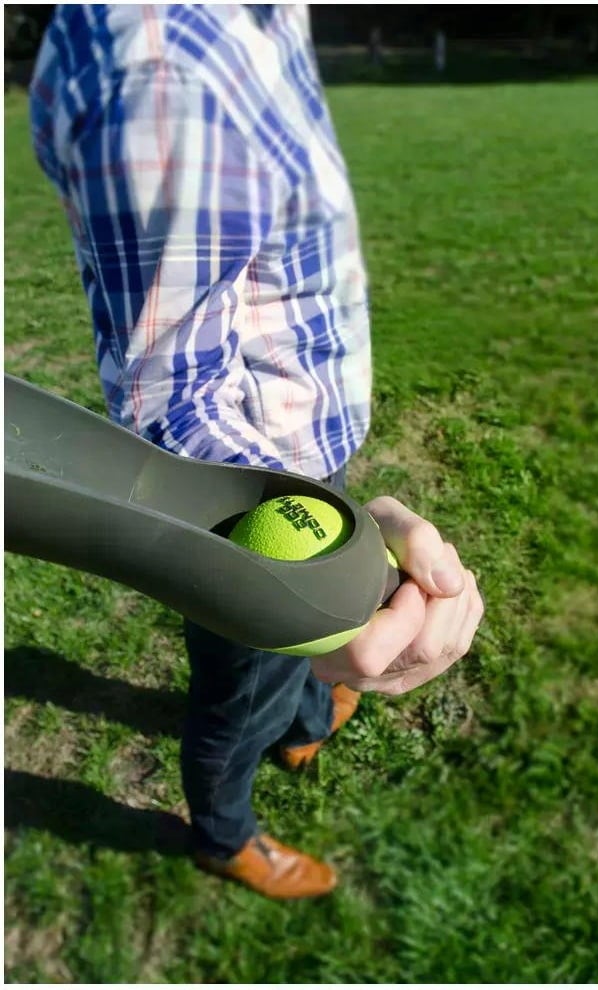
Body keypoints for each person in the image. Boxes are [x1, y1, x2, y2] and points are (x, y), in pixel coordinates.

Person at [30, 4, 484, 900]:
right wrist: (321, 569)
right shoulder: (167, 68)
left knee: (285, 679)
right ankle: (223, 835)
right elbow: (173, 395)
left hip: (309, 455)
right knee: (239, 697)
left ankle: (307, 718)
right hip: (255, 510)